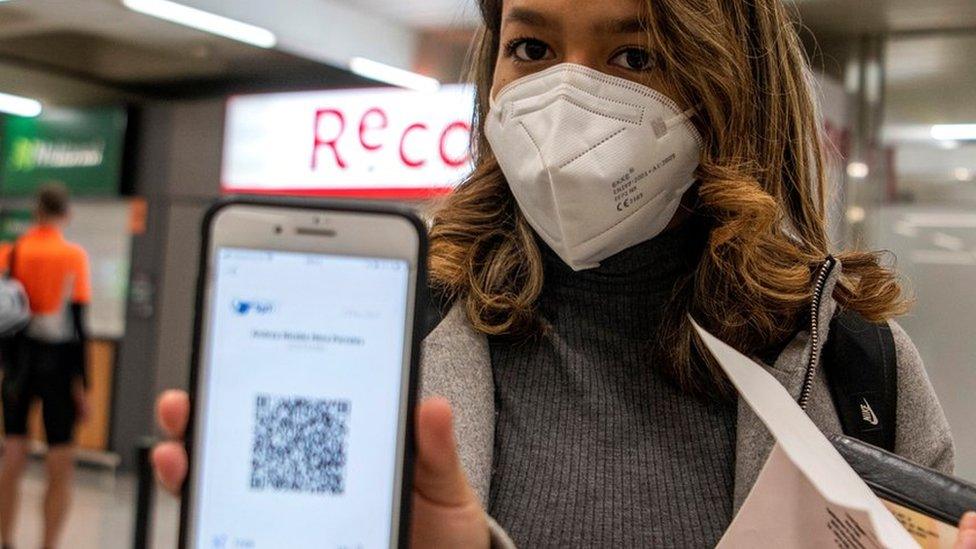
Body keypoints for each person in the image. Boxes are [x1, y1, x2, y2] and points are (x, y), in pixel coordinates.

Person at [153, 0, 976, 547]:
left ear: (732, 84)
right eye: (532, 48)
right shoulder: (392, 333)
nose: (565, 97)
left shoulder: (856, 362)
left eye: (635, 53)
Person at [0, 183, 91, 549]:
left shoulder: (13, 253)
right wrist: (83, 387)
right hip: (59, 368)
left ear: (37, 213)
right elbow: (79, 326)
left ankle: (6, 539)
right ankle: (48, 543)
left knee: (13, 452)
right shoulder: (72, 256)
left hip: (19, 367)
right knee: (60, 461)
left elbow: (7, 318)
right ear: (65, 214)